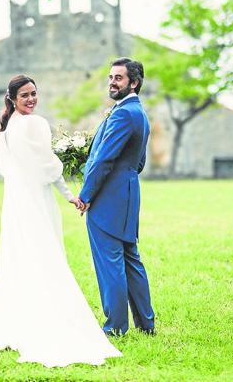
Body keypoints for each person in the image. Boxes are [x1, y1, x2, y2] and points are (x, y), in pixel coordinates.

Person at [0, 74, 121, 367]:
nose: (31, 100)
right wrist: (69, 194)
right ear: (13, 99)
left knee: (20, 259)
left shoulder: (5, 130)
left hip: (16, 204)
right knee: (46, 256)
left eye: (34, 94)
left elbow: (17, 167)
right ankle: (51, 321)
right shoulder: (34, 124)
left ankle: (17, 324)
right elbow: (48, 167)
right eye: (25, 95)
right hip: (35, 203)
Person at [77, 58, 156, 336]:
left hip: (108, 198)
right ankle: (146, 324)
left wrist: (86, 194)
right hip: (128, 194)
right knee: (130, 260)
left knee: (110, 263)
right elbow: (140, 161)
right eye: (110, 77)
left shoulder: (123, 114)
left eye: (118, 78)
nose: (112, 82)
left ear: (133, 83)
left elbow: (103, 159)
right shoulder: (138, 112)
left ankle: (115, 328)